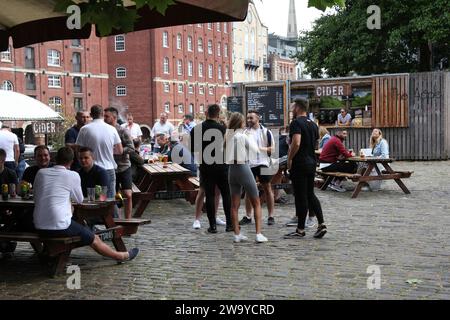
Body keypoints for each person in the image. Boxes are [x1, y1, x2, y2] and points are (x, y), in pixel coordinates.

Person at [33, 147, 139, 263]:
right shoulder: (73, 175)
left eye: (86, 158)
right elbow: (79, 200)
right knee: (94, 238)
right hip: (59, 226)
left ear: (55, 158)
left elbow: (36, 195)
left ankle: (48, 253)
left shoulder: (41, 173)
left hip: (38, 225)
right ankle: (122, 256)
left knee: (81, 226)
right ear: (72, 161)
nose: (83, 161)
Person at [284, 98, 327, 239]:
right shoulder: (313, 124)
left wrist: (290, 158)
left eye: (292, 106)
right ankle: (321, 224)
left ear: (297, 107)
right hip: (311, 162)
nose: (291, 109)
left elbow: (296, 143)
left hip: (300, 163)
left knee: (301, 196)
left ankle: (300, 230)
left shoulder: (296, 123)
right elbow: (316, 145)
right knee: (310, 194)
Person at [225, 113, 268, 243]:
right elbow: (256, 150)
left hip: (232, 170)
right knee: (256, 202)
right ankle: (258, 234)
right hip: (243, 168)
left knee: (234, 205)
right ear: (240, 123)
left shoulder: (228, 136)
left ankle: (237, 234)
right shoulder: (243, 136)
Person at [190, 104, 232, 233]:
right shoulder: (223, 129)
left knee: (209, 195)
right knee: (226, 194)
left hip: (206, 166)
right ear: (218, 114)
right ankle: (229, 224)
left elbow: (193, 150)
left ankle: (212, 226)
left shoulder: (196, 129)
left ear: (206, 113)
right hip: (222, 165)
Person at [75, 105, 123, 202]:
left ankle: (93, 217)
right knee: (109, 201)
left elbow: (78, 150)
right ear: (102, 114)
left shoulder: (85, 129)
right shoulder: (112, 129)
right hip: (108, 167)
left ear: (91, 115)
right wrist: (109, 150)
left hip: (91, 170)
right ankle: (113, 217)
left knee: (93, 200)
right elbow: (120, 151)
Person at [239, 109, 275, 226]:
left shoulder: (266, 132)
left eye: (251, 118)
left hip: (263, 163)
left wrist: (258, 148)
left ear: (258, 118)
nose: (249, 120)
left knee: (267, 188)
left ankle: (271, 216)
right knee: (249, 190)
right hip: (249, 164)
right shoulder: (245, 133)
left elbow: (272, 149)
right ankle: (248, 216)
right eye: (248, 118)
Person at [104, 107, 135, 219]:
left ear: (114, 117)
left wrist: (119, 150)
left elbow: (131, 148)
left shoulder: (123, 131)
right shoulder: (104, 131)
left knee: (128, 194)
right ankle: (114, 221)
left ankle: (128, 220)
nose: (104, 118)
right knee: (111, 197)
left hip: (123, 166)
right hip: (110, 167)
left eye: (107, 116)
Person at [0, 148, 19, 256]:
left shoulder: (10, 173)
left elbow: (15, 194)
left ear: (2, 160)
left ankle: (6, 244)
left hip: (8, 206)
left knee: (11, 218)